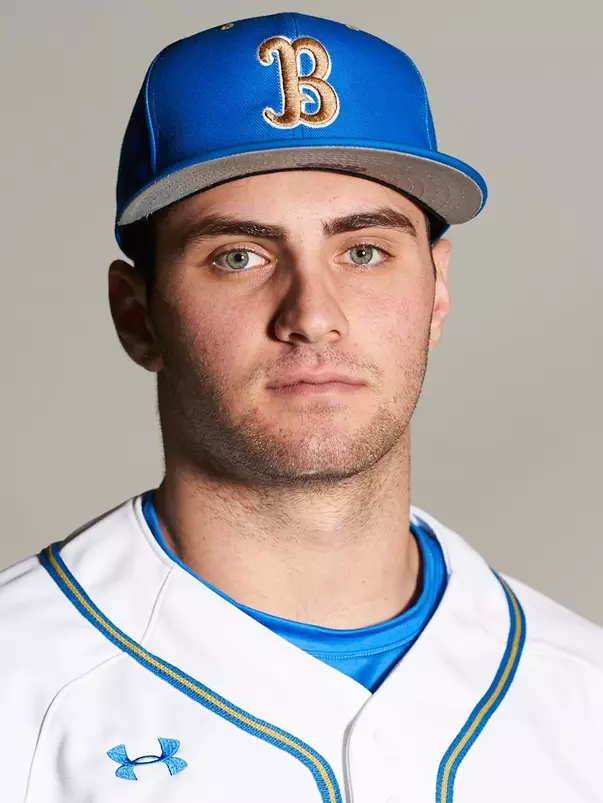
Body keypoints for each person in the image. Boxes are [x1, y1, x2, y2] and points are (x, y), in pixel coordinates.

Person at [1, 11, 601, 803]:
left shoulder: (583, 695)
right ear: (136, 313)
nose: (312, 314)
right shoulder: (20, 686)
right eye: (238, 255)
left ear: (437, 289)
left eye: (362, 251)